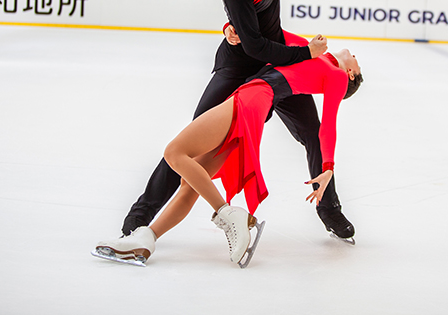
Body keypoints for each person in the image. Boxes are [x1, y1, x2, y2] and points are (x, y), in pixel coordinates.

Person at [120, 0, 357, 244]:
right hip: (243, 66)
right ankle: (139, 217)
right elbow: (257, 49)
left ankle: (328, 208)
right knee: (190, 144)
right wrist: (307, 55)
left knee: (312, 133)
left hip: (278, 67)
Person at [95, 37, 363, 267]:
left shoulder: (337, 75)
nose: (355, 55)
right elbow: (272, 34)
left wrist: (327, 168)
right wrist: (231, 28)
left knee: (174, 152)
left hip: (253, 98)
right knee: (190, 184)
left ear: (351, 73)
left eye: (357, 62)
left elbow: (327, 125)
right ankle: (146, 240)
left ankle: (228, 213)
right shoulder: (315, 54)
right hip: (256, 104)